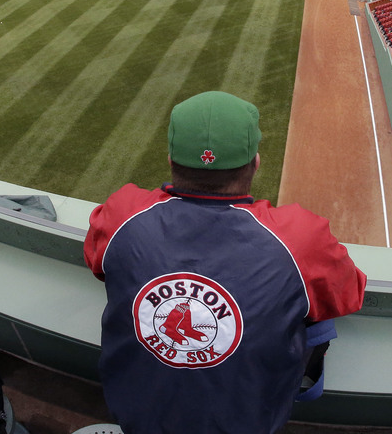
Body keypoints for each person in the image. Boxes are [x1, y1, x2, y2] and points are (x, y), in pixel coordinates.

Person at [84, 91, 366, 434]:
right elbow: (349, 292)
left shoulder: (122, 214)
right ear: (256, 162)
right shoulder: (301, 240)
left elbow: (98, 261)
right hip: (249, 423)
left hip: (135, 415)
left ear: (171, 159)